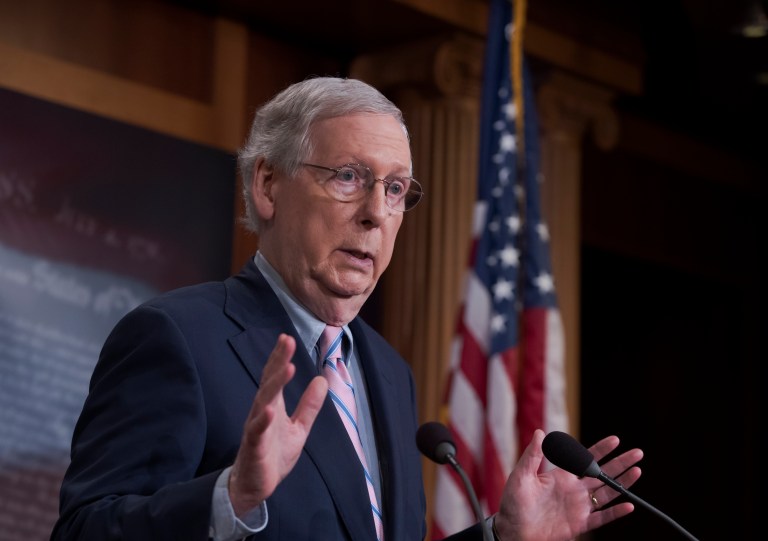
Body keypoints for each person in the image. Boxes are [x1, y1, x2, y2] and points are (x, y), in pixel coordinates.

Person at [50, 76, 643, 541]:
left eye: (394, 189)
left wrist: (501, 536)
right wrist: (228, 499)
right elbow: (84, 531)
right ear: (267, 185)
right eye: (349, 177)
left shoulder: (389, 373)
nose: (376, 213)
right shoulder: (177, 338)